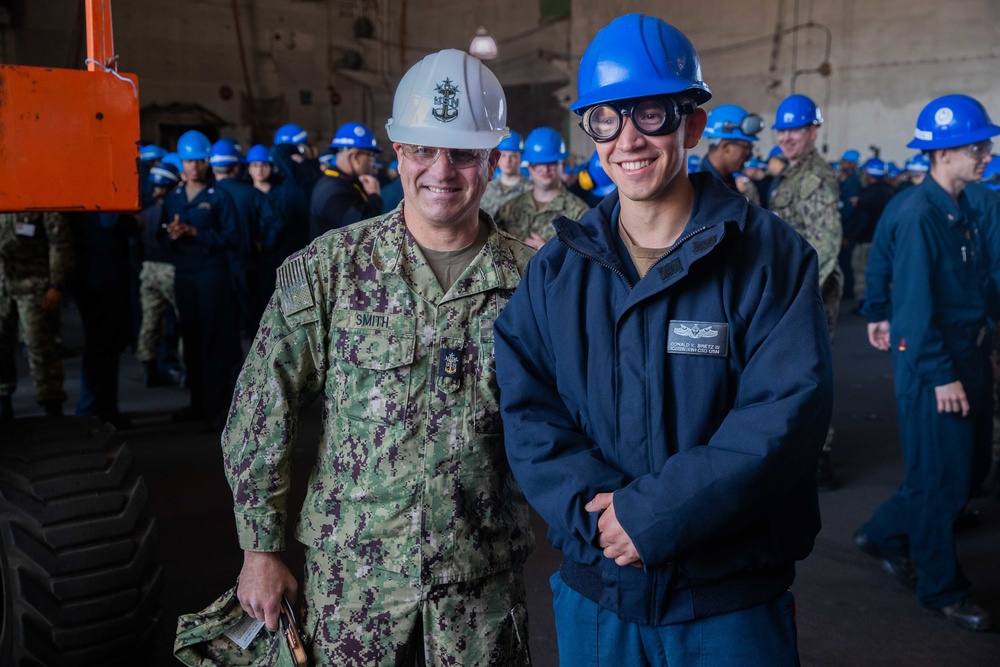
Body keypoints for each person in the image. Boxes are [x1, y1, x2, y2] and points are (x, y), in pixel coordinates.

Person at [494, 14, 832, 666]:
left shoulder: (770, 258)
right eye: (605, 119)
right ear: (589, 132)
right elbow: (526, 407)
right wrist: (596, 518)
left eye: (650, 114)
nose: (628, 139)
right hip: (599, 595)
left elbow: (786, 413)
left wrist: (653, 513)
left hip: (726, 604)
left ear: (692, 124)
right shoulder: (557, 272)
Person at [224, 48, 535, 665]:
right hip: (355, 583)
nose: (441, 171)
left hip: (481, 585)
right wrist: (260, 550)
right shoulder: (330, 270)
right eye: (423, 149)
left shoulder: (532, 282)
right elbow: (264, 407)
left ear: (492, 159)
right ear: (398, 154)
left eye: (464, 153)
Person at [857, 94, 999, 632]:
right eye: (976, 146)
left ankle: (883, 533)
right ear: (943, 153)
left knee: (958, 473)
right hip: (937, 362)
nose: (986, 153)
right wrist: (942, 376)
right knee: (942, 481)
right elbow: (914, 316)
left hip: (967, 349)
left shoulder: (957, 207)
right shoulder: (920, 216)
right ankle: (942, 588)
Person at [769, 92, 843, 491]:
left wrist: (800, 296)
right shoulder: (795, 172)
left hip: (810, 294)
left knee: (813, 374)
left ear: (812, 131)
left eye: (796, 129)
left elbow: (826, 243)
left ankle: (821, 458)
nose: (787, 137)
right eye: (782, 130)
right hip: (795, 291)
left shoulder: (813, 177)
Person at [161, 130, 242, 433]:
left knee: (213, 340)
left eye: (198, 161)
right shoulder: (174, 198)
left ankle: (217, 406)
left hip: (211, 274)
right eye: (188, 161)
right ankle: (196, 403)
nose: (193, 167)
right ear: (182, 163)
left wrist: (196, 234)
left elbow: (233, 238)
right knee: (191, 338)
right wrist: (171, 235)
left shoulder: (219, 197)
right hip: (185, 273)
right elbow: (162, 239)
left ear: (207, 162)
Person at [66, 210, 136, 429]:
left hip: (90, 270)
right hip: (104, 272)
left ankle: (106, 410)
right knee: (101, 345)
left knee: (104, 344)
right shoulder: (102, 194)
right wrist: (135, 221)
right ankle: (89, 411)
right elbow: (110, 220)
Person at [0, 212, 72, 421]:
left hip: (34, 284)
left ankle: (52, 404)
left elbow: (59, 243)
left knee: (40, 345)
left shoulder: (38, 198)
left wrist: (56, 285)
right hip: (2, 284)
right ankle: (4, 401)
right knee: (1, 344)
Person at [210, 140, 283, 337]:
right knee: (254, 319)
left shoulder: (206, 196)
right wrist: (263, 247)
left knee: (222, 323)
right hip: (248, 265)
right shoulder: (252, 194)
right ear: (237, 167)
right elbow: (276, 224)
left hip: (214, 268)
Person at [495, 126, 589, 249]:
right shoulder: (509, 210)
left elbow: (588, 261)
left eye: (551, 163)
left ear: (563, 165)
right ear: (529, 167)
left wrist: (550, 254)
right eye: (538, 164)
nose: (545, 170)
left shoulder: (580, 213)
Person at [135, 162, 182, 387]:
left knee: (150, 322)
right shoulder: (176, 213)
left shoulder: (144, 214)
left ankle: (148, 369)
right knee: (185, 321)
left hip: (148, 270)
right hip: (171, 270)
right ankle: (186, 371)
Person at [308, 122, 383, 240]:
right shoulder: (334, 192)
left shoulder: (340, 182)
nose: (373, 162)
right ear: (355, 158)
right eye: (371, 155)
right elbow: (365, 232)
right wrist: (374, 196)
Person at [843, 158, 895, 305]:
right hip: (885, 241)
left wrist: (850, 235)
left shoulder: (866, 196)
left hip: (865, 242)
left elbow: (862, 221)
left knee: (862, 273)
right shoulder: (891, 193)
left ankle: (865, 303)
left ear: (868, 174)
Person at [700, 103, 763, 205]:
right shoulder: (702, 190)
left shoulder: (725, 182)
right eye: (747, 148)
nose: (751, 155)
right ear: (727, 148)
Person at [480, 130, 532, 217]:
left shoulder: (531, 189)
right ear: (497, 158)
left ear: (521, 158)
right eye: (503, 155)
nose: (508, 160)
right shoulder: (486, 189)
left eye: (514, 156)